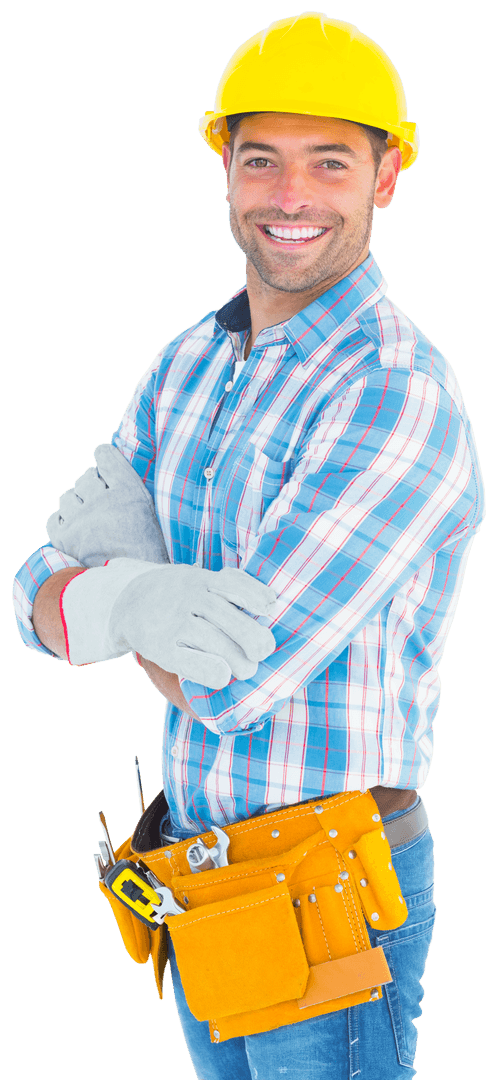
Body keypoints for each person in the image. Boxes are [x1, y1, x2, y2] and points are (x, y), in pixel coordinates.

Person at [12, 13, 485, 1080]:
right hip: (195, 878)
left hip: (329, 893)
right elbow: (35, 591)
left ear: (387, 179)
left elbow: (233, 682)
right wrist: (135, 604)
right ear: (225, 170)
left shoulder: (396, 395)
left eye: (330, 163)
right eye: (260, 160)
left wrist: (114, 592)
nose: (290, 197)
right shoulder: (187, 364)